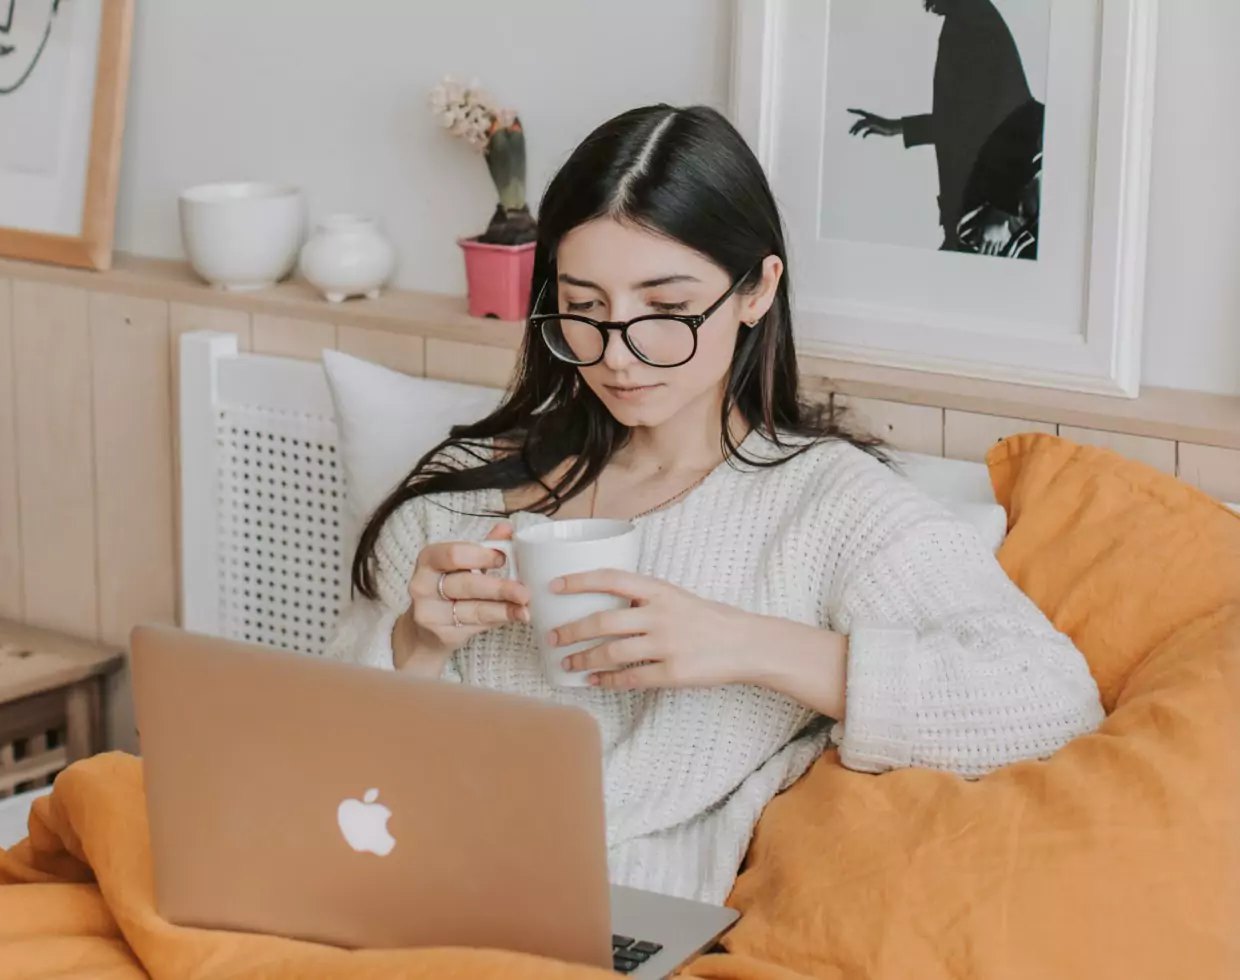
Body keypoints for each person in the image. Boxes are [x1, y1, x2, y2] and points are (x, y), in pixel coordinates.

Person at [325, 104, 1103, 904]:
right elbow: (325, 769)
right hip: (399, 892)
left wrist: (748, 645)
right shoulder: (454, 501)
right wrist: (415, 644)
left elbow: (1050, 700)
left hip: (611, 922)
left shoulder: (826, 507)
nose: (620, 353)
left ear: (757, 291)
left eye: (665, 311)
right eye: (586, 309)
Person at [846, 0, 1042, 255]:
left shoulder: (974, 19)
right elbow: (965, 118)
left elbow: (1016, 116)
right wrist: (899, 127)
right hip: (977, 215)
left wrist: (1006, 213)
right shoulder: (964, 18)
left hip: (991, 222)